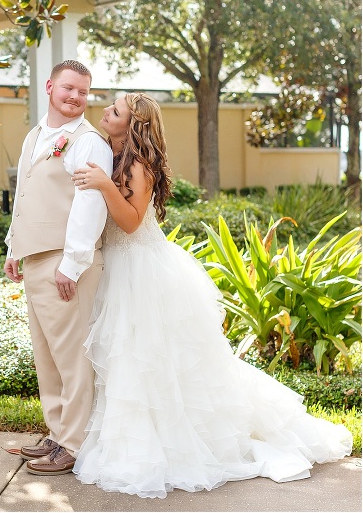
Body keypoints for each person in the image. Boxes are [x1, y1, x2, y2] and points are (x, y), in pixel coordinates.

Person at [69, 92, 353, 498]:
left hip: (141, 270)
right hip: (115, 266)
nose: (105, 112)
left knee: (147, 357)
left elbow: (131, 223)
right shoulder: (108, 153)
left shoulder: (138, 164)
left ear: (133, 126)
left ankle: (166, 445)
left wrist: (101, 183)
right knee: (127, 359)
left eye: (115, 111)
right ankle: (135, 434)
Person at [4, 60, 113, 476]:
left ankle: (74, 443)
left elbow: (90, 206)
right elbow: (25, 195)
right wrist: (14, 247)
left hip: (67, 264)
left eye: (84, 92)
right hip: (36, 258)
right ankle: (56, 433)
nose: (76, 97)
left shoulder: (88, 143)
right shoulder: (36, 135)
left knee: (73, 357)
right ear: (50, 86)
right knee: (47, 355)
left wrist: (72, 264)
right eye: (69, 88)